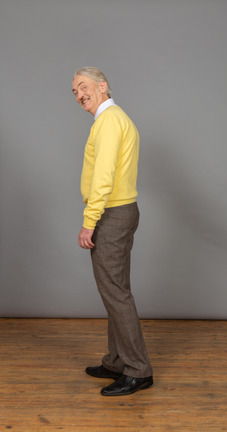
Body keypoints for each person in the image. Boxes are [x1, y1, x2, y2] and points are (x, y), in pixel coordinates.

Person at [72, 67, 153, 396]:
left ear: (103, 86)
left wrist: (89, 220)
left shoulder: (107, 121)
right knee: (114, 290)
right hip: (120, 211)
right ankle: (117, 361)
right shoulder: (117, 118)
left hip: (111, 214)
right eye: (74, 92)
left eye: (83, 87)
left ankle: (138, 370)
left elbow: (103, 177)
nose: (79, 95)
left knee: (116, 294)